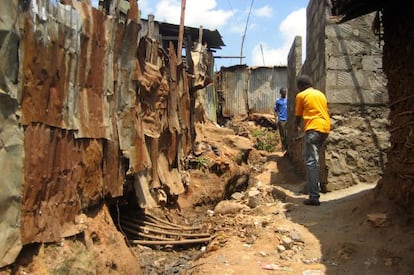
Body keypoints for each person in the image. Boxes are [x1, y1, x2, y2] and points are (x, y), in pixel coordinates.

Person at [294, 75, 330, 206]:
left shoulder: (301, 96)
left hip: (313, 129)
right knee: (315, 161)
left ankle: (314, 196)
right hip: (325, 129)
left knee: (311, 162)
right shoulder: (320, 94)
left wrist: (296, 127)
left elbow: (298, 115)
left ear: (300, 87)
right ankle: (313, 187)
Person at [274, 87, 288, 152]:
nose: (284, 93)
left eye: (285, 91)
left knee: (288, 134)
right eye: (283, 92)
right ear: (280, 93)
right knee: (283, 135)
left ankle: (288, 148)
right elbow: (276, 110)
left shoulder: (288, 100)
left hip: (288, 120)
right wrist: (276, 119)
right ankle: (284, 147)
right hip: (282, 119)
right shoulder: (278, 101)